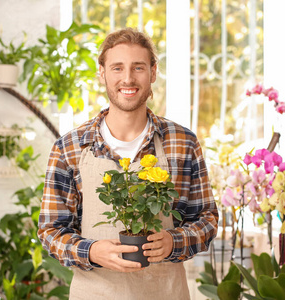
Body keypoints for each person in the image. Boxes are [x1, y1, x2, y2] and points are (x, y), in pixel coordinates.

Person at [38, 27, 219, 300]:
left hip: (165, 293)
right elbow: (51, 231)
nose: (128, 78)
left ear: (153, 72)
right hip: (94, 293)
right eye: (117, 68)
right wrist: (92, 251)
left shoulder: (182, 142)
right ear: (102, 73)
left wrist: (173, 242)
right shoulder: (70, 147)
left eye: (138, 67)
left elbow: (207, 219)